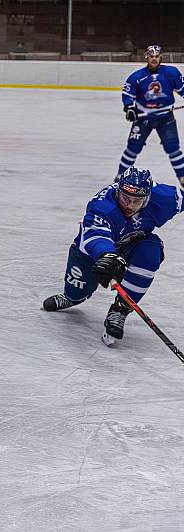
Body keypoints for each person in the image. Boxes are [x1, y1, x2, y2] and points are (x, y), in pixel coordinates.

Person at [43, 167, 184, 346]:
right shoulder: (102, 206)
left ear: (147, 198)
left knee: (151, 252)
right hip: (93, 252)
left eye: (137, 201)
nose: (130, 205)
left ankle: (120, 309)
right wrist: (107, 255)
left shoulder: (164, 199)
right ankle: (72, 297)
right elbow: (95, 236)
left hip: (134, 243)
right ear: (118, 191)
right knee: (77, 292)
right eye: (126, 198)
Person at [117, 45, 184, 184]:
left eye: (156, 56)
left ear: (161, 57)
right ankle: (120, 177)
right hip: (143, 118)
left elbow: (182, 89)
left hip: (165, 118)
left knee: (173, 149)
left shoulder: (172, 73)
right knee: (132, 149)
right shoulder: (137, 77)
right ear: (146, 57)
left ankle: (183, 178)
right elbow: (127, 94)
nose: (154, 59)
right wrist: (129, 107)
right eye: (151, 56)